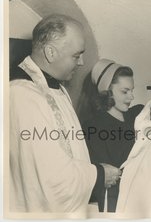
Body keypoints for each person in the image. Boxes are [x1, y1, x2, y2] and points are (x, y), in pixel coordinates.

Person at [9, 14, 121, 213]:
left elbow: (64, 151)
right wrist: (99, 174)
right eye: (76, 56)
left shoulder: (57, 89)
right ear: (51, 53)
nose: (81, 63)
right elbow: (48, 179)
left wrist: (93, 169)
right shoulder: (21, 94)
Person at [82, 59, 143, 212]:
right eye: (125, 91)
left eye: (132, 90)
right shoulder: (94, 127)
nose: (131, 97)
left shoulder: (138, 115)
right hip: (117, 201)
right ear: (107, 91)